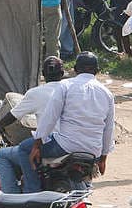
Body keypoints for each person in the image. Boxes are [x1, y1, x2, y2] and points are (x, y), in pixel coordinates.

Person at [30, 52, 115, 193]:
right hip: (94, 151)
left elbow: (50, 117)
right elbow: (108, 128)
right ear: (97, 71)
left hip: (65, 146)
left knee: (21, 150)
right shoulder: (107, 93)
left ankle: (29, 194)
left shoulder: (65, 85)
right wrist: (103, 158)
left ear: (75, 69)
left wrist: (37, 143)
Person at [0, 56, 66, 193]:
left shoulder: (36, 93)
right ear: (62, 74)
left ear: (43, 74)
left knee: (2, 154)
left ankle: (16, 197)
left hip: (53, 144)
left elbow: (13, 115)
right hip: (72, 142)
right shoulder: (71, 90)